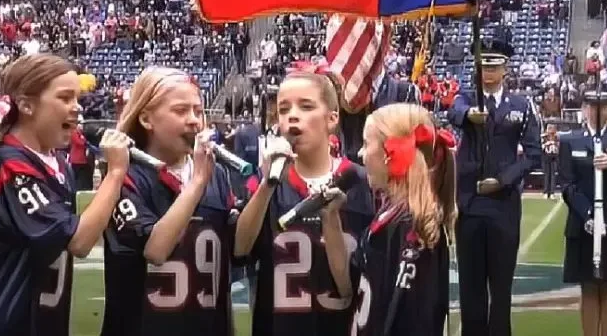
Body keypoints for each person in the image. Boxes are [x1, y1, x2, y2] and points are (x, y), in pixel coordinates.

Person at [0, 54, 132, 336]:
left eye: (77, 98)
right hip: (5, 321)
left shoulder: (58, 162)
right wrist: (115, 173)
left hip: (43, 318)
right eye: (64, 98)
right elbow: (78, 241)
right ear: (27, 104)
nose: (76, 108)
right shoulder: (9, 163)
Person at [234, 70, 375, 336]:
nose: (292, 115)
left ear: (332, 118)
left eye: (306, 106)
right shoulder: (265, 182)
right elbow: (241, 249)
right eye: (284, 109)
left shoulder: (360, 181)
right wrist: (267, 184)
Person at [101, 67, 235, 336]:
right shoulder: (126, 175)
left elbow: (236, 253)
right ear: (147, 119)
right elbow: (156, 250)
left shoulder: (216, 173)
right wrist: (196, 183)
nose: (194, 121)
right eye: (181, 111)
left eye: (198, 111)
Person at [320, 103, 457, 335]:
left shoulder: (411, 229)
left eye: (366, 144)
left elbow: (412, 322)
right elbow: (349, 286)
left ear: (389, 154)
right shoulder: (391, 215)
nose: (361, 154)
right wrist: (330, 218)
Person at [447, 39, 541, 336]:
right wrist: (469, 116)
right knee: (470, 287)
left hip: (503, 205)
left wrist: (503, 180)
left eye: (495, 66)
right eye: (484, 66)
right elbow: (454, 111)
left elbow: (533, 153)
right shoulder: (467, 98)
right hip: (471, 204)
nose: (489, 72)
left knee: (501, 288)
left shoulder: (521, 106)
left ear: (505, 69)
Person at [559, 87, 607, 336]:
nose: (598, 111)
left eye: (604, 106)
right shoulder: (570, 140)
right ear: (584, 108)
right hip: (582, 224)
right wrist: (588, 215)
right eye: (593, 106)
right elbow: (567, 185)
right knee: (587, 288)